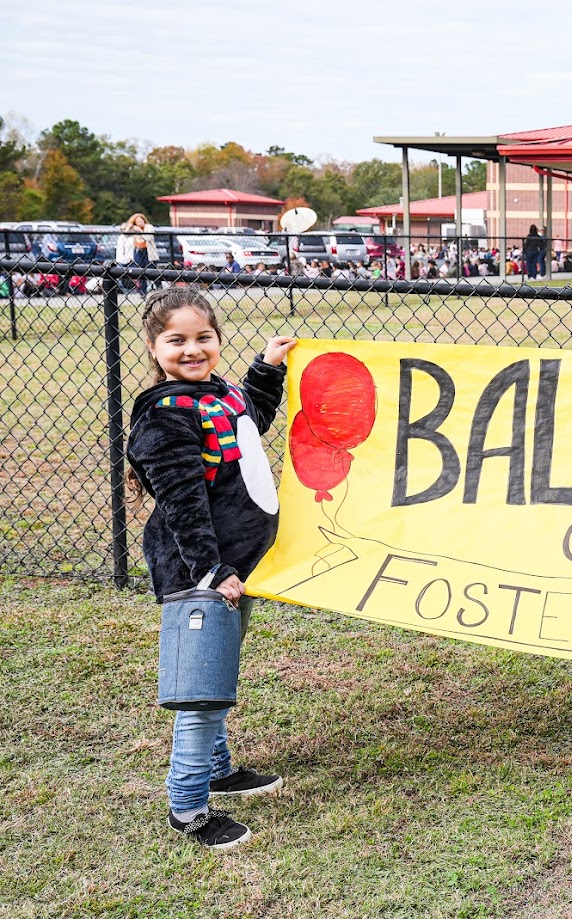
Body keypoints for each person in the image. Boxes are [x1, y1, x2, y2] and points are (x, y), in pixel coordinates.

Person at [126, 288, 296, 850]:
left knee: (219, 672)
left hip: (235, 567)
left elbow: (251, 424)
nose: (192, 349)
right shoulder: (165, 415)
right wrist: (209, 570)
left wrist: (266, 368)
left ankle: (220, 772)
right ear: (155, 346)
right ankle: (189, 807)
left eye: (203, 338)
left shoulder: (218, 396)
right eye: (177, 340)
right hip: (200, 573)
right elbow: (181, 502)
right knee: (200, 695)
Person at [116, 212, 158, 295]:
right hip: (138, 252)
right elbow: (126, 235)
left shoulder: (148, 227)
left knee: (153, 272)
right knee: (140, 272)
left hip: (148, 253)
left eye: (140, 221)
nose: (139, 223)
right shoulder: (134, 229)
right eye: (137, 222)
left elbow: (149, 237)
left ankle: (159, 288)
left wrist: (140, 231)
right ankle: (143, 292)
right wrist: (129, 227)